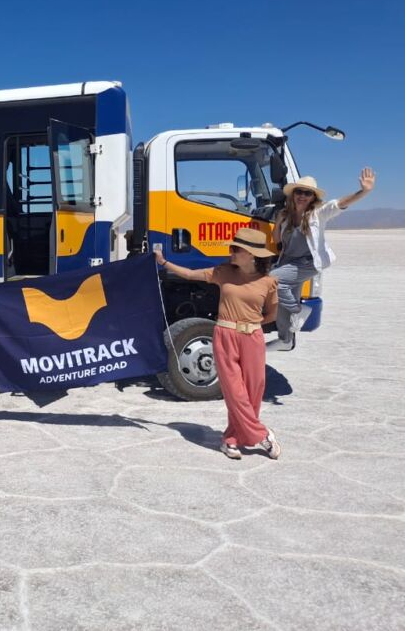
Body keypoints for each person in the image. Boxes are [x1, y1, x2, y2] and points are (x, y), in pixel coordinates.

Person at [156, 227, 280, 460]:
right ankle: (261, 434)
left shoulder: (268, 282)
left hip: (252, 337)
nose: (231, 252)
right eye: (232, 248)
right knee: (234, 391)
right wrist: (164, 263)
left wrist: (253, 325)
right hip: (225, 334)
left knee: (254, 390)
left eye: (236, 249)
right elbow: (191, 275)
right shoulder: (223, 272)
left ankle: (231, 439)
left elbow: (273, 313)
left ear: (252, 254)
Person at [268, 167, 376, 350]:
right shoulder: (286, 216)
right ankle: (285, 339)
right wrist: (278, 223)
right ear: (293, 194)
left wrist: (363, 191)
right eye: (299, 192)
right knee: (282, 305)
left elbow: (339, 204)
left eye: (307, 193)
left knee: (273, 281)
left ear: (313, 198)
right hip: (289, 262)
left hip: (308, 263)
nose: (302, 196)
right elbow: (278, 242)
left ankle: (299, 310)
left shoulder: (317, 214)